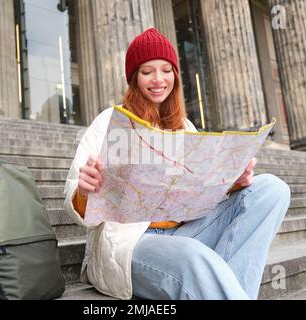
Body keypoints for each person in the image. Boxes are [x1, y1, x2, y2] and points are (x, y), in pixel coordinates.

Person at [63, 27, 290, 300]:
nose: (158, 80)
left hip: (188, 232)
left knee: (272, 189)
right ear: (134, 78)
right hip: (131, 244)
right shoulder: (109, 121)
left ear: (175, 75)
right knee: (191, 257)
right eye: (147, 72)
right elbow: (74, 204)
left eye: (166, 70)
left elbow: (198, 193)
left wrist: (231, 184)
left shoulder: (185, 127)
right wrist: (85, 191)